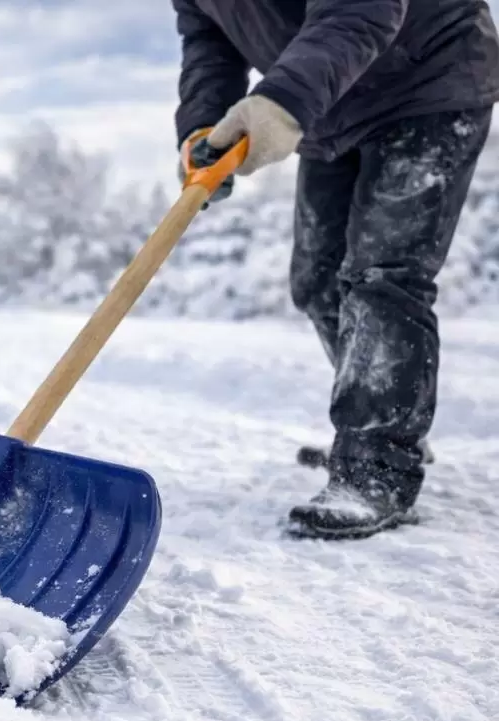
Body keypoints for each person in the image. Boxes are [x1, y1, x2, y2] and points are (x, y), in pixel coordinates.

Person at [172, 0, 499, 539]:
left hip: (428, 82)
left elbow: (361, 8)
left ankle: (376, 466)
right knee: (318, 281)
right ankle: (391, 417)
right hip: (331, 106)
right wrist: (202, 125)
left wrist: (280, 102)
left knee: (383, 277)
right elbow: (210, 44)